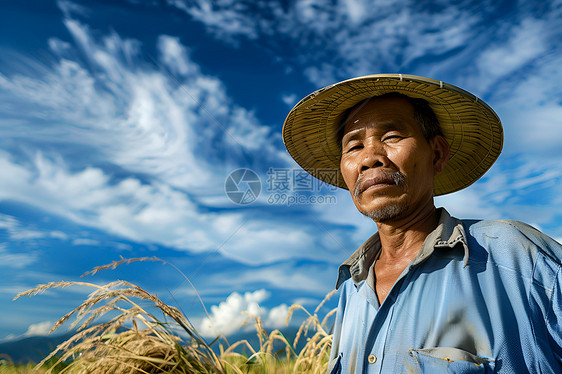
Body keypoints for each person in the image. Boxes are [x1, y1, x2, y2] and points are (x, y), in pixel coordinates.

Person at [282, 74, 562, 373]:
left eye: (391, 137)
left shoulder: (512, 255)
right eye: (354, 147)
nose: (369, 159)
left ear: (437, 154)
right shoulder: (354, 287)